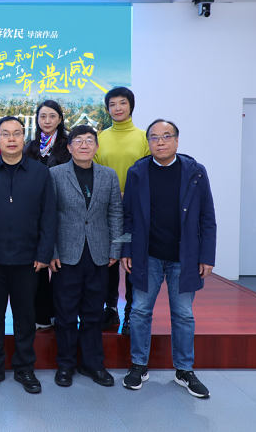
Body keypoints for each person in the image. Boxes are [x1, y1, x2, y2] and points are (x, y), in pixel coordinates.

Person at [121, 119, 216, 398]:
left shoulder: (195, 172)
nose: (160, 142)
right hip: (147, 255)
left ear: (176, 140)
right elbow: (127, 217)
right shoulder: (137, 172)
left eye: (166, 136)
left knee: (183, 314)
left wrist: (206, 255)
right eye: (154, 137)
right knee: (140, 311)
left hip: (184, 257)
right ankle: (139, 365)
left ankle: (184, 370)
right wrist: (125, 250)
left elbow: (207, 217)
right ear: (148, 142)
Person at [0, 116, 56, 394]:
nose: (11, 138)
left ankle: (24, 369)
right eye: (5, 134)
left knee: (25, 318)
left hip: (28, 261)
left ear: (24, 138)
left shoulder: (40, 172)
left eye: (16, 133)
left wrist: (44, 253)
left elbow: (48, 216)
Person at [48, 125, 122, 389]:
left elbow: (116, 213)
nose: (83, 145)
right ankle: (66, 365)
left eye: (89, 141)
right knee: (65, 314)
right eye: (77, 141)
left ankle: (92, 364)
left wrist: (115, 249)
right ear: (69, 147)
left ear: (96, 147)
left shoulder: (108, 175)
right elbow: (48, 216)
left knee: (93, 314)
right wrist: (52, 252)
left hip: (99, 255)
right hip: (66, 256)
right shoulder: (55, 174)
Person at [94, 86, 150, 336]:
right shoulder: (100, 138)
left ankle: (130, 312)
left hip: (135, 215)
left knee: (131, 261)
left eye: (122, 103)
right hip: (106, 213)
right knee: (108, 260)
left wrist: (130, 195)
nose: (117, 108)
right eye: (112, 104)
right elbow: (95, 173)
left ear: (131, 106)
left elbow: (149, 174)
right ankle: (109, 309)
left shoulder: (144, 137)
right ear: (107, 109)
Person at [23, 99, 71, 329]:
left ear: (60, 119)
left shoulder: (68, 145)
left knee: (62, 266)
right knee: (39, 266)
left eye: (52, 116)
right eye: (42, 116)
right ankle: (41, 315)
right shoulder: (30, 147)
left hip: (63, 213)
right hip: (34, 214)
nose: (47, 120)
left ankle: (60, 314)